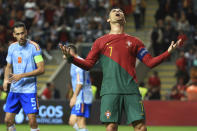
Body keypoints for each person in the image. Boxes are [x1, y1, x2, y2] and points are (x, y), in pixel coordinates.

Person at [60, 8, 181, 131]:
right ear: (108, 19)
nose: (117, 10)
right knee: (111, 127)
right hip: (110, 91)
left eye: (120, 10)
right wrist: (72, 59)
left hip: (131, 90)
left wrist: (168, 52)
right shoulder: (100, 42)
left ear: (124, 19)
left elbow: (150, 62)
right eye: (114, 10)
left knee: (141, 127)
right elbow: (88, 64)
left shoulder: (135, 42)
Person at [3, 22, 44, 131]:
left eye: (22, 33)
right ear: (14, 35)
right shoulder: (11, 48)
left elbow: (41, 69)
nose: (21, 36)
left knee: (32, 121)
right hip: (14, 89)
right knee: (8, 120)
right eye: (18, 34)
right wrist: (6, 80)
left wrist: (21, 75)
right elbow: (8, 66)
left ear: (26, 32)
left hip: (29, 90)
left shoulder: (34, 47)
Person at [67, 44, 93, 131]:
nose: (63, 56)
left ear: (70, 52)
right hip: (79, 96)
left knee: (80, 123)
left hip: (82, 96)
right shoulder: (74, 62)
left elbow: (80, 82)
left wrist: (74, 97)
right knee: (72, 121)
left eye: (64, 53)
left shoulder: (79, 63)